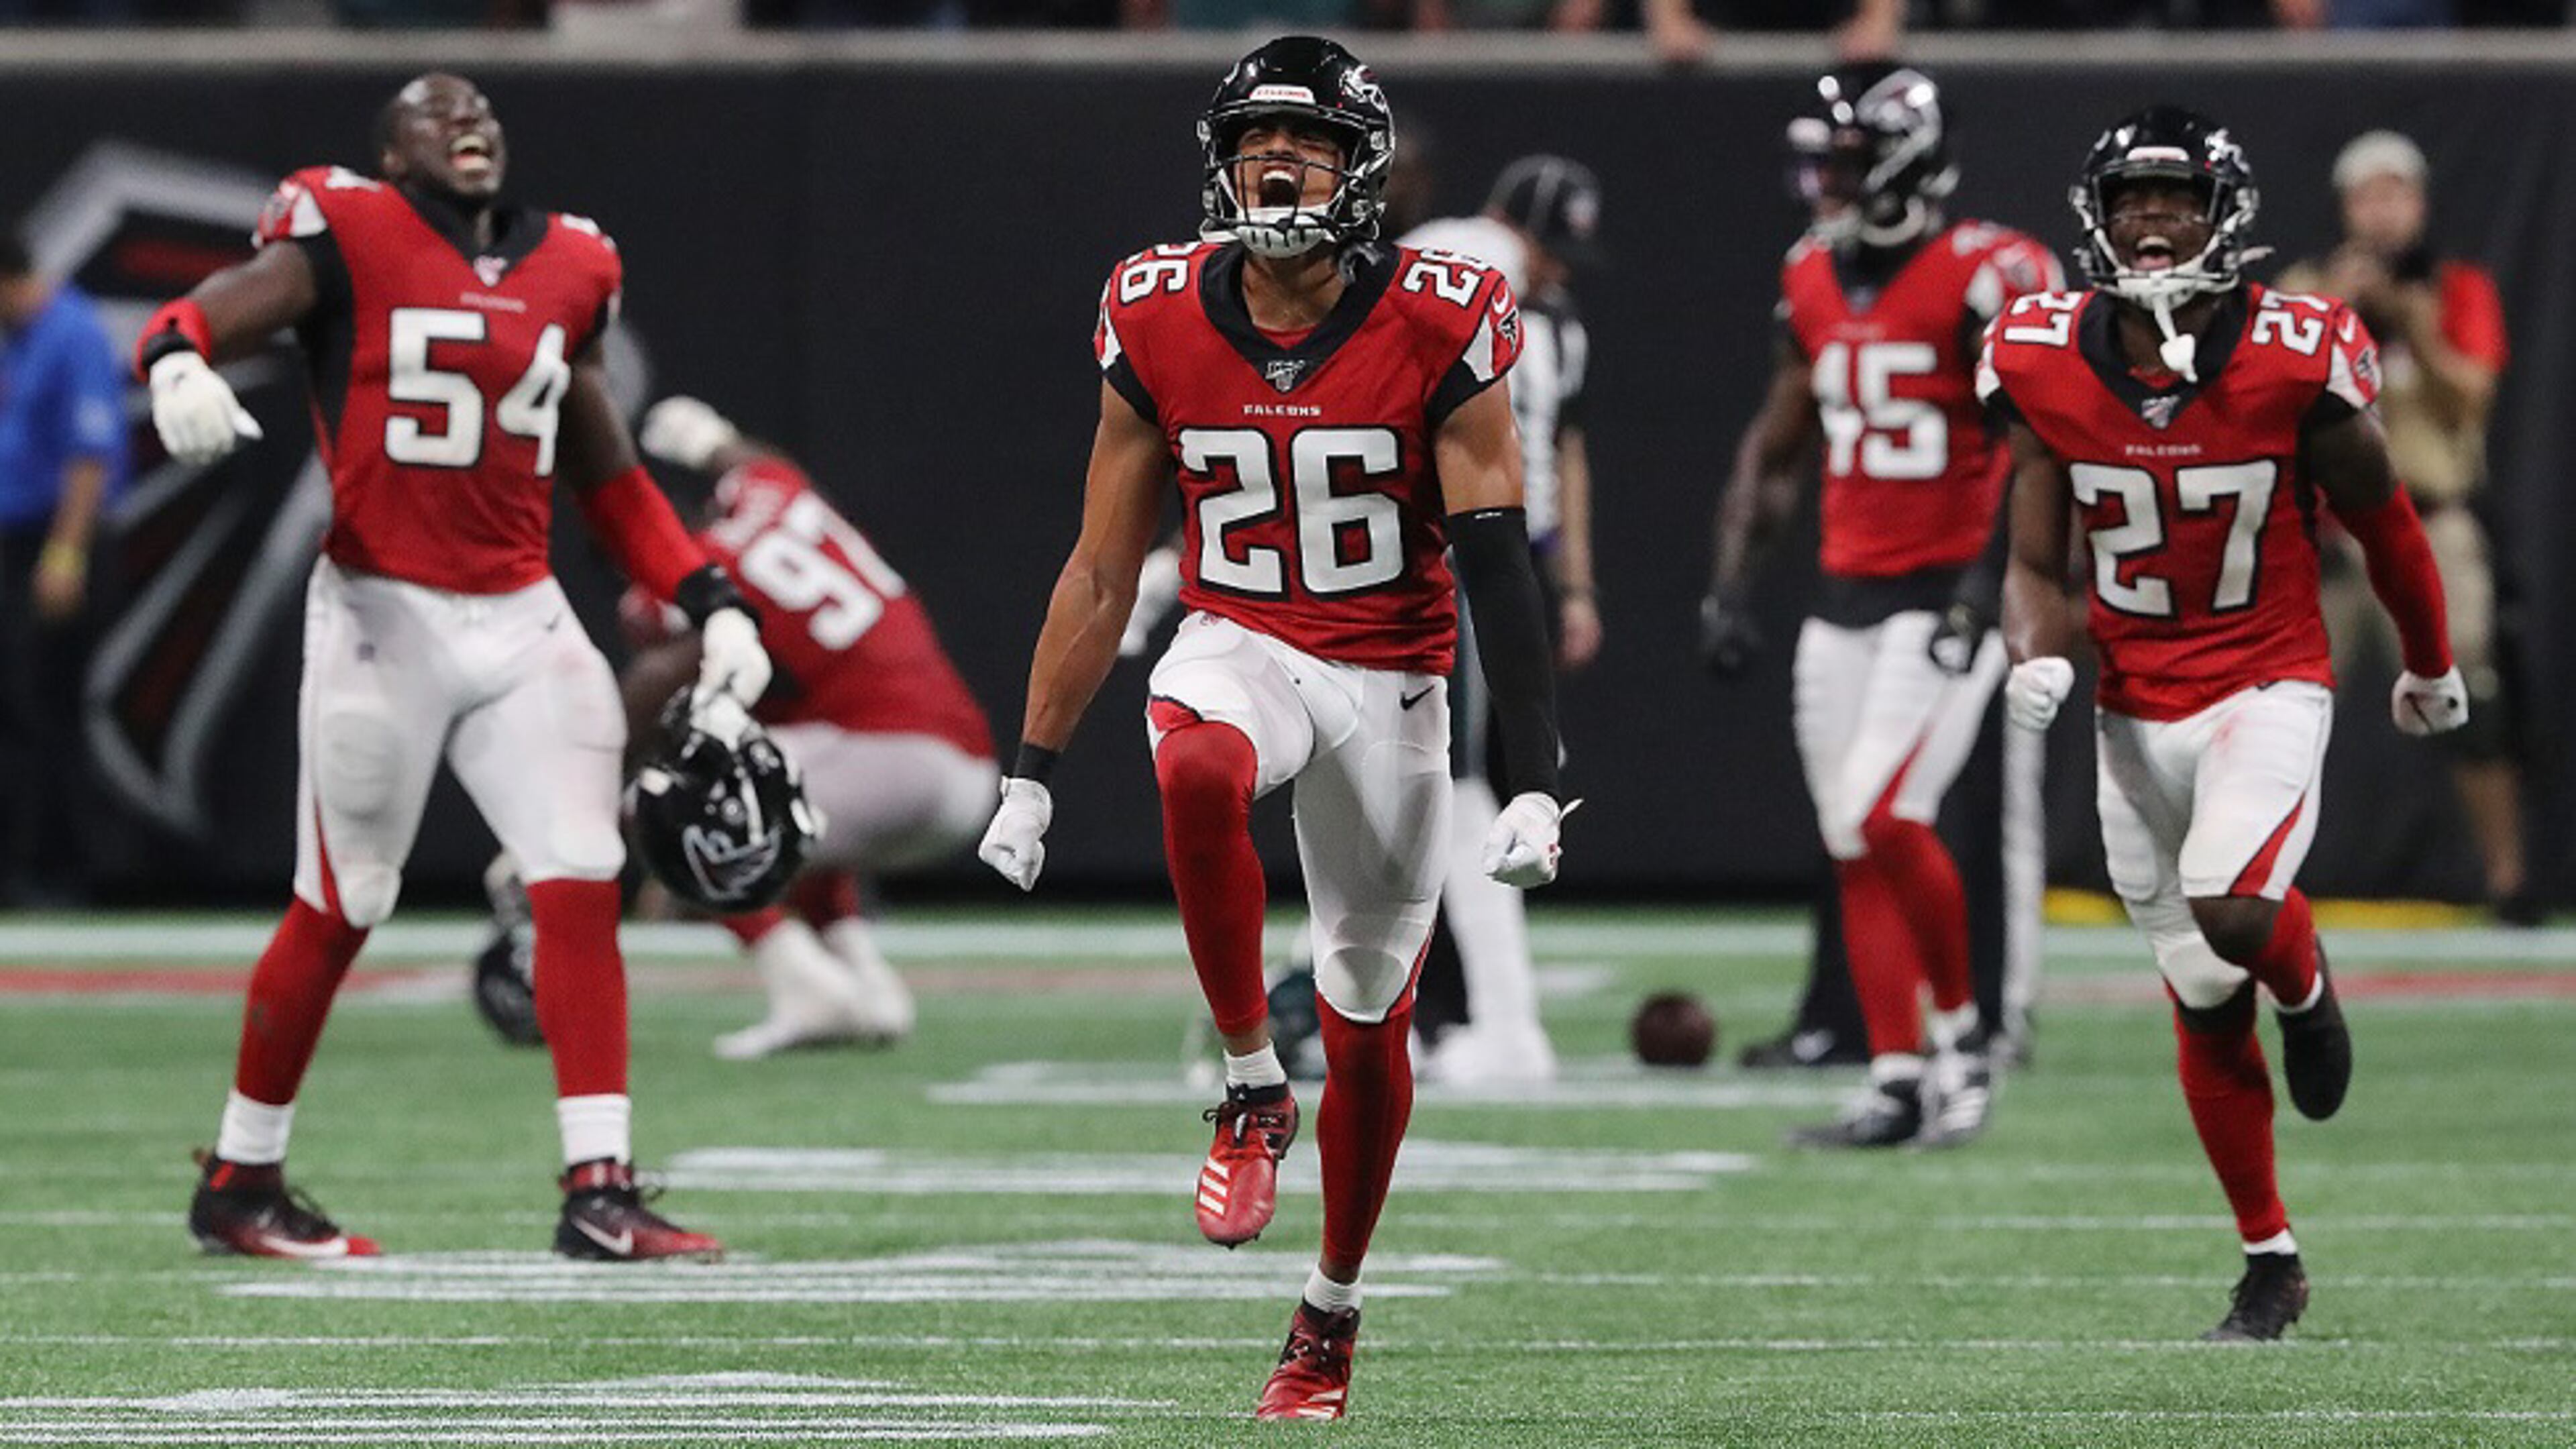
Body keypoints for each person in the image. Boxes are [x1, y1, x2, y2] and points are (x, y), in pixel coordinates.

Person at [973, 36, 1570, 1420]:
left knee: (1369, 1020)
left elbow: (1496, 557)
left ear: (1362, 173)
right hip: (1244, 637)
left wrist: (1536, 776)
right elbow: (1102, 563)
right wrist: (1034, 771)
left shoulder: (1444, 310)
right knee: (1193, 758)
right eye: (1251, 145)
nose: (1273, 166)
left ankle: (1331, 1317)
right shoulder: (1156, 304)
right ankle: (1249, 1083)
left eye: (1301, 145)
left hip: (1392, 680)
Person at [142, 72, 771, 1262]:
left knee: (580, 873)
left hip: (522, 613)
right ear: (391, 156)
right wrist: (176, 357)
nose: (465, 122)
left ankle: (601, 1188)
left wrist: (712, 598)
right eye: (433, 114)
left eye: (478, 109)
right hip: (383, 612)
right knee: (346, 901)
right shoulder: (351, 230)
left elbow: (610, 475)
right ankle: (241, 1175)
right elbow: (218, 306)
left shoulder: (573, 266)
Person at [1987, 107, 2463, 1340]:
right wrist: (2030, 649)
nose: (2153, 222)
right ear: (2097, 214)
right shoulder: (2041, 352)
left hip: (2268, 680)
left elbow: (2388, 519)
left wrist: (2429, 663)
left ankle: (2304, 987)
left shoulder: (2297, 350)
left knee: (2236, 909)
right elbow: (2036, 559)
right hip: (2131, 708)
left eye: (2178, 200)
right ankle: (2270, 1258)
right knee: (2201, 995)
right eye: (2133, 199)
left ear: (2226, 215)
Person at [1701, 64, 2061, 1146]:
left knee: (1886, 814)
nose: (1828, 180)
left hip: (1943, 589)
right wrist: (1730, 580)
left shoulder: (1989, 271)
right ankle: (1897, 1073)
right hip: (1843, 591)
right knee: (1850, 836)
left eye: (1850, 160)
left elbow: (2038, 452)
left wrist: (1989, 587)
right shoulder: (1810, 273)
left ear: (1906, 160)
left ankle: (1964, 1045)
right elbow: (1776, 445)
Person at [616, 395, 996, 1057]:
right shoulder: (778, 497)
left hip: (891, 764)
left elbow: (658, 678)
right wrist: (711, 440)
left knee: (669, 803)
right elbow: (758, 464)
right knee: (782, 786)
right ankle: (864, 982)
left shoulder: (705, 570)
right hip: (965, 767)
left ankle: (805, 986)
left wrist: (592, 783)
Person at [2277, 131, 2528, 922]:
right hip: (2327, 535)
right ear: (2346, 208)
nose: (2383, 213)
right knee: (2281, 706)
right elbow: (2271, 401)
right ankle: (2260, 873)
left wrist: (2415, 325)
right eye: (2367, 196)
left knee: (2472, 698)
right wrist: (2342, 314)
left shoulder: (2456, 290)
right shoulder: (2305, 289)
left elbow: (2473, 401)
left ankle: (2508, 881)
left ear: (2420, 205)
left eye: (2397, 195)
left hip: (2428, 520)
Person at [1397, 154, 1605, 1084]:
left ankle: (1498, 1021)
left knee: (1442, 785)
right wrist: (1567, 587)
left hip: (1439, 552)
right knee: (1436, 784)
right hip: (1472, 551)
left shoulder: (1530, 309)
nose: (1556, 269)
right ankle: (1409, 1009)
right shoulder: (1474, 271)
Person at [0, 233, 125, 908]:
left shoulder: (71, 332)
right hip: (15, 542)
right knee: (18, 706)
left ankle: (59, 871)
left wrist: (64, 554)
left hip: (58, 544)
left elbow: (90, 453)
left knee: (46, 705)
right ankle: (22, 866)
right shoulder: (14, 338)